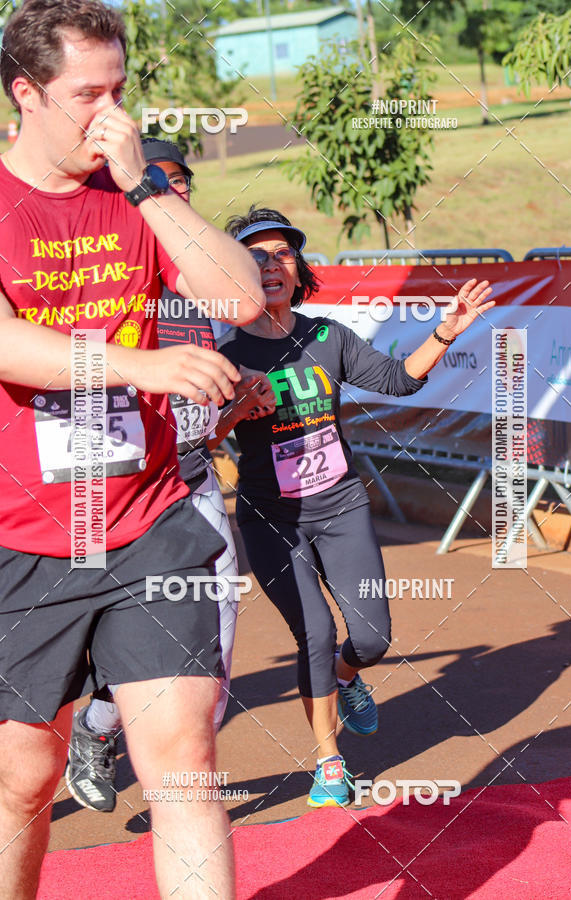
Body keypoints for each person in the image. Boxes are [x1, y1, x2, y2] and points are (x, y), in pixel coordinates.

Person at [0, 3, 265, 898]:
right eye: (87, 94)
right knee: (22, 782)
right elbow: (8, 345)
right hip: (24, 537)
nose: (111, 112)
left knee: (185, 760)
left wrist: (147, 185)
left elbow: (237, 301)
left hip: (149, 522)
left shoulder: (138, 188)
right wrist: (140, 362)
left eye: (121, 89)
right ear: (25, 94)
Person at [217, 205, 494, 808]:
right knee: (314, 632)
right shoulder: (224, 351)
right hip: (272, 517)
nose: (270, 264)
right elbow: (202, 440)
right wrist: (238, 408)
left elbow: (401, 381)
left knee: (370, 638)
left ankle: (349, 679)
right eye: (255, 255)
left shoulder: (328, 337)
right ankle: (330, 761)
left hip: (341, 506)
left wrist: (448, 331)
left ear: (298, 269)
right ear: (235, 269)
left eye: (282, 253)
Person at [67, 138, 276, 814]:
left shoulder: (202, 283)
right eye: (158, 178)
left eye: (181, 179)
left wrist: (239, 395)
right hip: (101, 486)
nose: (174, 189)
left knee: (211, 640)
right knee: (91, 646)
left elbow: (207, 405)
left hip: (191, 481)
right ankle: (94, 731)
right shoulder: (100, 270)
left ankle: (184, 784)